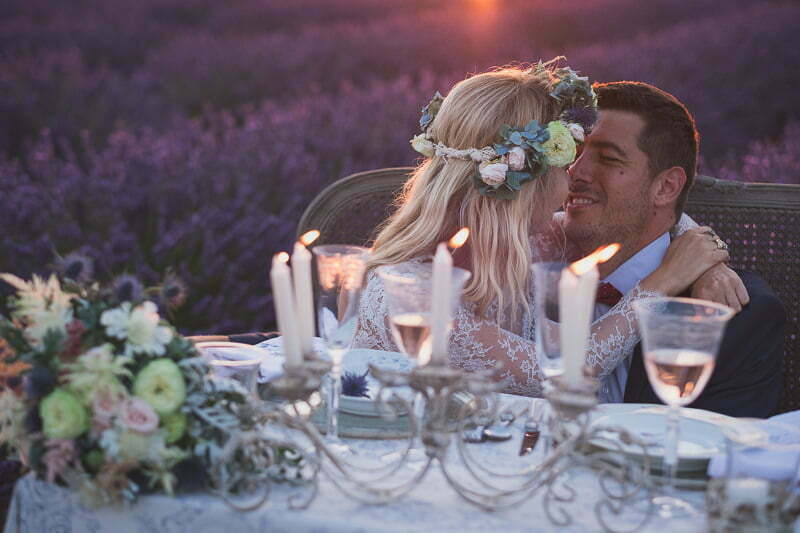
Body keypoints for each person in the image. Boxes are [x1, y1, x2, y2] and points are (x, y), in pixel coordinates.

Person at [352, 61, 734, 398]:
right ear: (520, 185)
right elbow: (560, 375)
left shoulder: (522, 245)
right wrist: (659, 286)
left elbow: (651, 218)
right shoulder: (414, 291)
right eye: (563, 163)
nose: (572, 181)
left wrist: (701, 252)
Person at [564, 81, 785, 417]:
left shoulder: (736, 318)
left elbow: (715, 455)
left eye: (608, 159)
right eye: (575, 152)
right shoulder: (523, 274)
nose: (575, 172)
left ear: (666, 187)